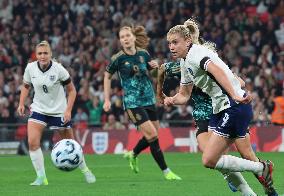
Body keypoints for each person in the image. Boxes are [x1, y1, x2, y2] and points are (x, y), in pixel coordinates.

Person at [164, 19, 277, 193]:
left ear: (188, 41)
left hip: (232, 106)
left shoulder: (196, 53)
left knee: (210, 160)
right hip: (220, 108)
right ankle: (263, 188)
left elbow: (216, 70)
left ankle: (261, 168)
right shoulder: (184, 61)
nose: (171, 46)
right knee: (218, 159)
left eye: (175, 42)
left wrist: (234, 94)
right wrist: (172, 99)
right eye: (169, 43)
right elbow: (184, 94)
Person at [103, 25, 181, 180]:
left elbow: (152, 73)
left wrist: (154, 67)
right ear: (120, 40)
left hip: (149, 99)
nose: (125, 39)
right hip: (133, 103)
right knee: (152, 134)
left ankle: (133, 154)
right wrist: (106, 99)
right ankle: (167, 172)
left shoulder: (144, 54)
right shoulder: (118, 58)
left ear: (133, 37)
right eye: (122, 37)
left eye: (127, 36)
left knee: (154, 133)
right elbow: (107, 76)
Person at [17, 41, 96, 186]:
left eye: (45, 53)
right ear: (36, 54)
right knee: (32, 142)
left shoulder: (59, 69)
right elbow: (26, 86)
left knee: (72, 144)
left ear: (50, 54)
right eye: (40, 53)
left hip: (59, 111)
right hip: (39, 109)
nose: (42, 56)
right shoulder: (30, 68)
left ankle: (85, 170)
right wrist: (21, 103)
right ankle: (41, 177)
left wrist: (68, 110)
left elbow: (72, 90)